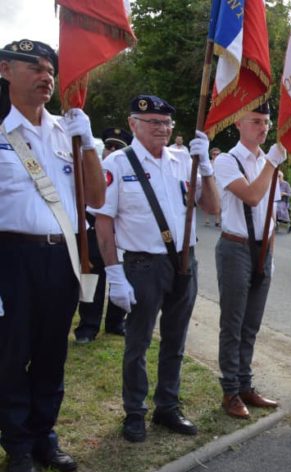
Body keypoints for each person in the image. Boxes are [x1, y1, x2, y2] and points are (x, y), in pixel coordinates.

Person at [0, 39, 105, 472]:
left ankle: (45, 436)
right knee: (10, 355)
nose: (47, 77)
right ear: (5, 70)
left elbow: (97, 196)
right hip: (11, 258)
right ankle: (18, 445)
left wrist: (87, 143)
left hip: (61, 254)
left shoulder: (68, 129)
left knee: (50, 354)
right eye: (36, 68)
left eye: (51, 70)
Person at [90, 94, 219, 442]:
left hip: (183, 261)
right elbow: (104, 223)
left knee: (176, 339)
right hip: (143, 264)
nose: (162, 129)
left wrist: (205, 167)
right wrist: (114, 274)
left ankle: (168, 406)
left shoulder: (182, 161)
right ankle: (134, 411)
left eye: (166, 123)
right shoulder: (117, 164)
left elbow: (212, 207)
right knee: (138, 341)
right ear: (133, 124)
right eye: (153, 123)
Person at [212, 104, 285, 419]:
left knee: (251, 324)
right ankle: (230, 390)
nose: (263, 128)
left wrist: (271, 255)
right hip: (235, 247)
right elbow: (253, 196)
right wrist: (272, 162)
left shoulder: (269, 164)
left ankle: (245, 384)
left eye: (267, 122)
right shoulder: (227, 160)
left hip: (262, 249)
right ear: (238, 123)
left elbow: (271, 214)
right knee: (233, 323)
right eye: (256, 121)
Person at [74, 128, 133, 345]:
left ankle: (116, 322)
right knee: (93, 279)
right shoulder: (91, 168)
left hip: (120, 233)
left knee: (121, 277)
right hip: (93, 231)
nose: (111, 151)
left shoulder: (131, 170)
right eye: (109, 147)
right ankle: (88, 327)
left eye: (117, 148)